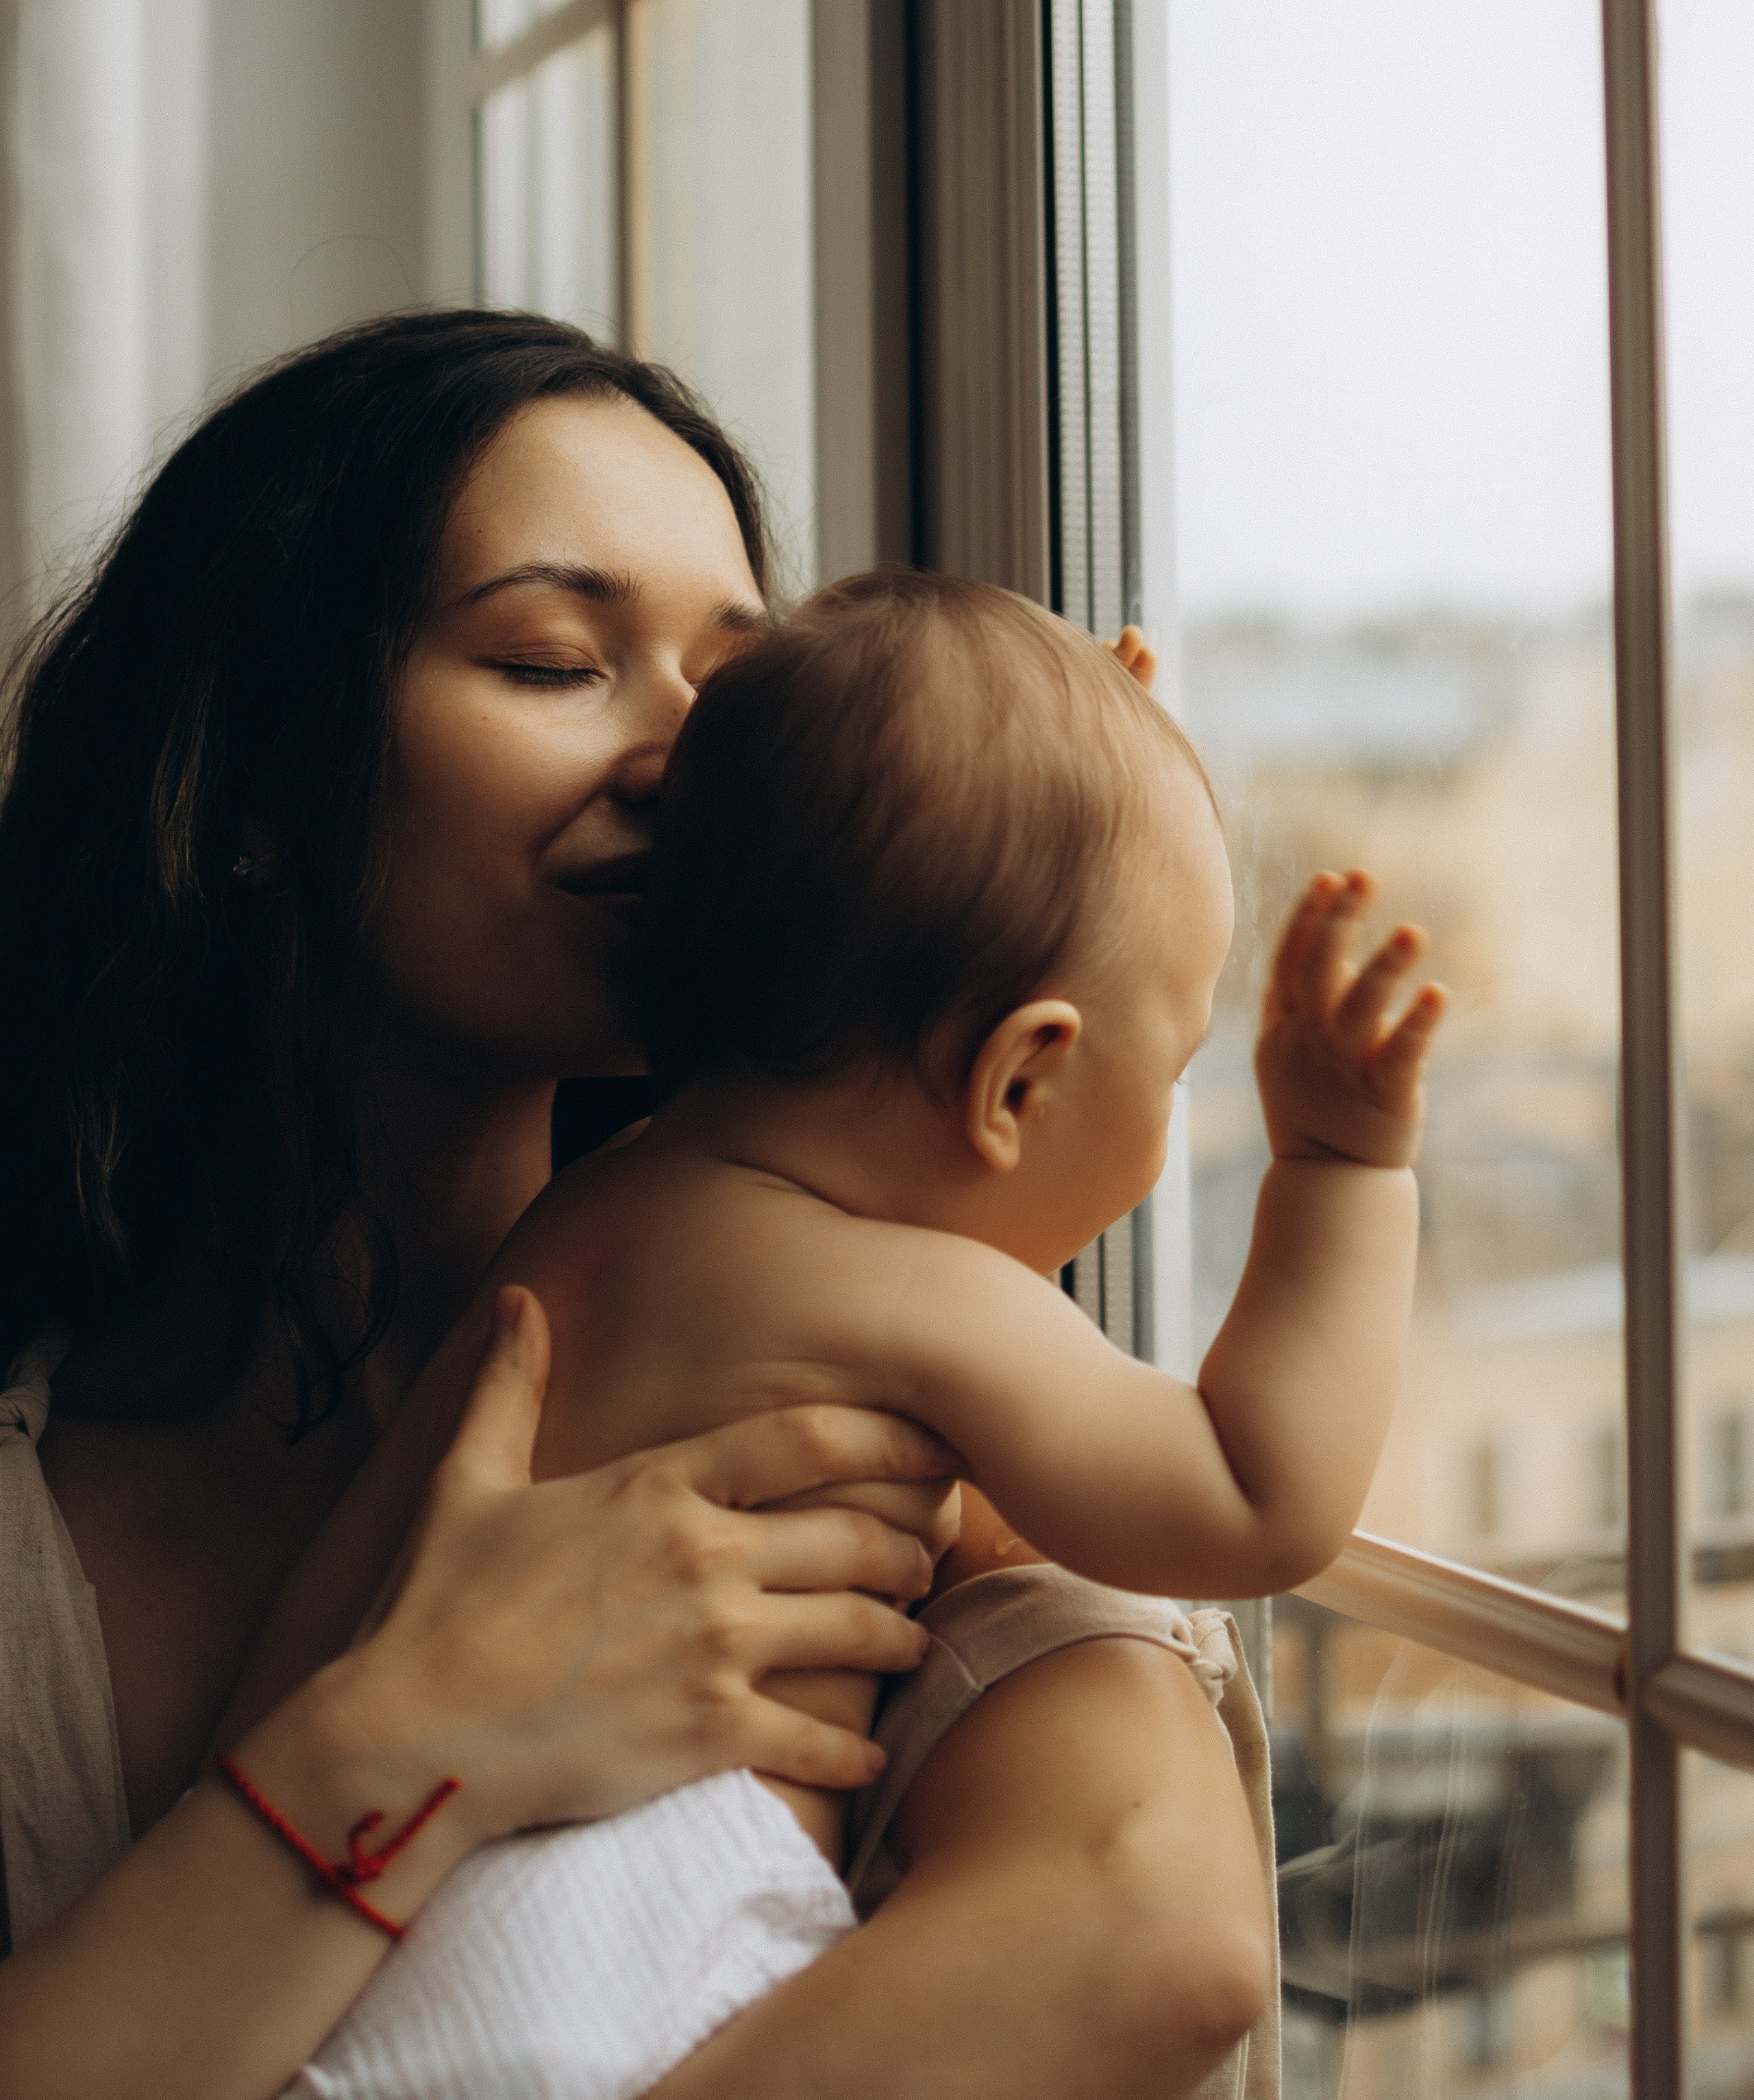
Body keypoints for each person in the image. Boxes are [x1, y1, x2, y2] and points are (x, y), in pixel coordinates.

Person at [0, 313, 1277, 2100]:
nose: (687, 759)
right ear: (249, 784)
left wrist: (1089, 849)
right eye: (548, 661)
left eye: (742, 688)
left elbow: (1158, 1938)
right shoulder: (31, 1550)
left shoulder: (888, 1394)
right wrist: (415, 1730)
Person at [234, 570, 1442, 2100]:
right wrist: (1341, 1169)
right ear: (1016, 1084)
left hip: (366, 1958)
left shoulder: (579, 1229)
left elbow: (327, 1636)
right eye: (1182, 1060)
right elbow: (1252, 1494)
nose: (1173, 1118)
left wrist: (1058, 776)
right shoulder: (899, 1292)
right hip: (611, 1986)